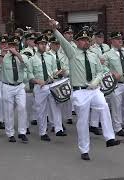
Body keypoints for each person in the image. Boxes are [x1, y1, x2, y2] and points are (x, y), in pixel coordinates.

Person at [49, 19, 120, 160]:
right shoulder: (72, 53)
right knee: (82, 121)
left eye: (87, 40)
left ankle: (110, 138)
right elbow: (62, 41)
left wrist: (96, 81)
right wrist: (54, 30)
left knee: (104, 106)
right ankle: (84, 150)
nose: (86, 42)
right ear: (76, 42)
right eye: (82, 40)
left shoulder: (94, 55)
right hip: (79, 91)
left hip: (93, 89)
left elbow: (100, 72)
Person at [27, 35, 67, 142]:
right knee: (41, 110)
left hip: (51, 84)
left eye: (45, 44)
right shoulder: (32, 59)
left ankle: (58, 129)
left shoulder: (50, 57)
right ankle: (42, 132)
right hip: (40, 87)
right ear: (36, 45)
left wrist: (59, 72)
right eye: (41, 44)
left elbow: (53, 71)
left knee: (56, 105)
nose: (43, 46)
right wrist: (36, 81)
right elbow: (29, 76)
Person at [0, 36, 29, 142]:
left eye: (15, 45)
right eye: (11, 45)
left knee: (22, 107)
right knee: (8, 110)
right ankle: (10, 133)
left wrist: (17, 54)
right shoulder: (3, 56)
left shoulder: (22, 55)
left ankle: (22, 132)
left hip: (19, 86)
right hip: (7, 85)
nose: (13, 47)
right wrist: (1, 56)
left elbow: (26, 65)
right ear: (8, 46)